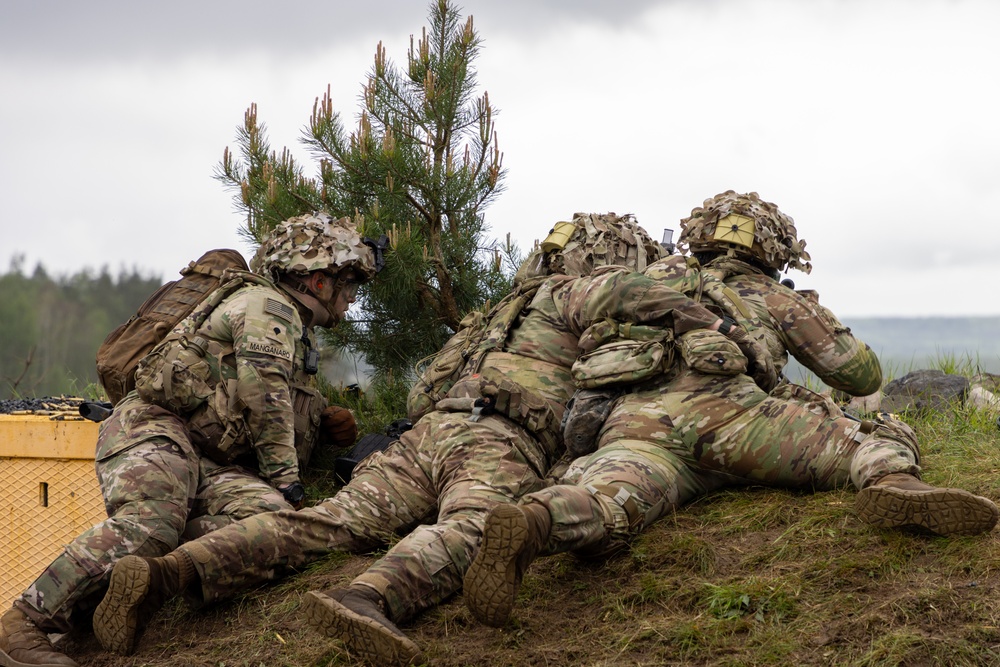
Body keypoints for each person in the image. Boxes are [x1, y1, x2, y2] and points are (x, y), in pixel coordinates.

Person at [88, 213, 752, 666]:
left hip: (430, 432)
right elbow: (635, 339)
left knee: (326, 521)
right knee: (473, 526)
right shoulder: (584, 296)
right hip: (501, 440)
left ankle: (167, 573)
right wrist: (707, 326)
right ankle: (370, 598)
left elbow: (422, 391)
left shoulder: (502, 311)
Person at [463, 190, 999, 628]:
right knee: (870, 436)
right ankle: (897, 486)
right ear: (772, 247)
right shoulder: (763, 292)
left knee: (608, 503)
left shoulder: (652, 281)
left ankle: (537, 521)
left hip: (631, 424)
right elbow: (859, 375)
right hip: (730, 419)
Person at [0, 212, 378, 667]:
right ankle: (24, 623)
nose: (352, 299)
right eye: (350, 285)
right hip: (154, 426)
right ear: (319, 281)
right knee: (153, 521)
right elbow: (264, 395)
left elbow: (248, 395)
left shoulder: (292, 330)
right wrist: (288, 483)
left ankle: (139, 578)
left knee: (271, 524)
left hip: (208, 458)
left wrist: (321, 420)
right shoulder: (267, 307)